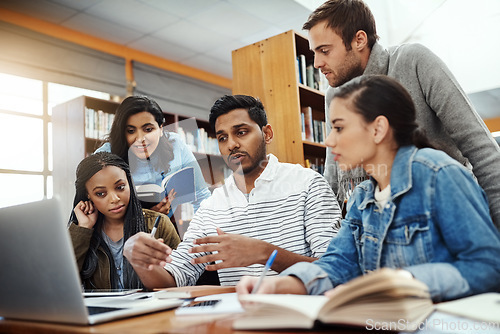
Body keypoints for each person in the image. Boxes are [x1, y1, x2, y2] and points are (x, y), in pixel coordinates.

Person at [237, 75, 500, 302]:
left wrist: (404, 282)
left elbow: (489, 267)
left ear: (377, 129)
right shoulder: (362, 198)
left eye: (338, 127)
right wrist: (280, 285)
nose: (329, 141)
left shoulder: (440, 175)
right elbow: (338, 263)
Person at [303, 0, 500, 229]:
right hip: (379, 228)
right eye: (314, 53)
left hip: (446, 214)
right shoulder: (334, 93)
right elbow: (334, 176)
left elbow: (480, 148)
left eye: (324, 51)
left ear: (359, 40)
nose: (317, 63)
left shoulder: (414, 61)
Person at [122, 94, 342, 288]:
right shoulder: (212, 206)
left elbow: (337, 270)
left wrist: (265, 253)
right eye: (222, 138)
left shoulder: (308, 184)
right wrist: (140, 260)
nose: (231, 145)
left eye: (242, 132)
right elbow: (174, 276)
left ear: (267, 134)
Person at [68, 152, 180, 290]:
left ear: (129, 183)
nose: (114, 199)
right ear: (88, 195)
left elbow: (180, 278)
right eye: (101, 193)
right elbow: (62, 283)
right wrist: (84, 229)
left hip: (151, 310)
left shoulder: (159, 223)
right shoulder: (81, 231)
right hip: (102, 311)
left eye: (120, 187)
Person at [95, 95, 211, 217]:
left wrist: (201, 233)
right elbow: (96, 210)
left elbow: (202, 196)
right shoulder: (105, 156)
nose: (140, 139)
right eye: (131, 131)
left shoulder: (176, 145)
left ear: (161, 128)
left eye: (148, 129)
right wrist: (146, 217)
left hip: (162, 228)